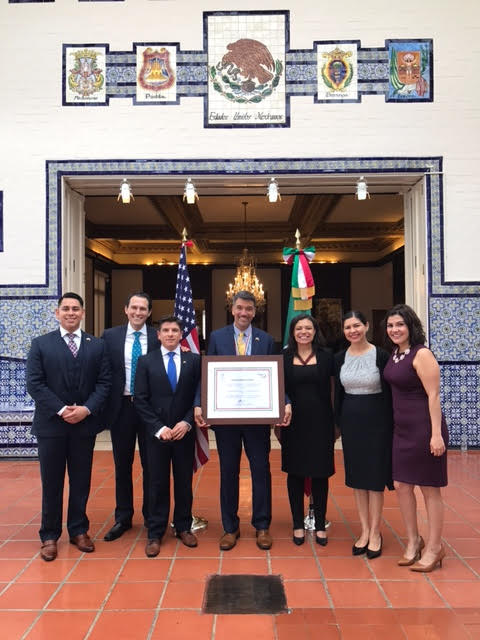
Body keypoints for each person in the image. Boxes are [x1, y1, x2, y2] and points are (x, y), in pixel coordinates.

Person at [195, 291, 291, 551]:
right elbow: (206, 375)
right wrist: (198, 403)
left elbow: (276, 376)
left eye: (249, 309)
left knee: (260, 471)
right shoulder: (217, 337)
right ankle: (230, 527)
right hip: (226, 419)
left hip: (257, 419)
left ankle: (262, 526)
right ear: (232, 308)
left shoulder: (266, 340)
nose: (244, 313)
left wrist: (285, 401)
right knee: (229, 472)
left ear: (254, 311)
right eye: (239, 308)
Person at [26, 293, 111, 561]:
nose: (71, 313)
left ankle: (78, 530)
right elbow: (35, 383)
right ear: (57, 312)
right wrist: (62, 410)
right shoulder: (41, 344)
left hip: (83, 425)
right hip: (51, 425)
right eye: (66, 309)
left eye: (76, 309)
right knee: (51, 482)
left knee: (80, 481)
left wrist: (86, 409)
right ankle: (49, 535)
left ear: (83, 313)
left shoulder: (96, 346)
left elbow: (104, 383)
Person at [383, 304, 448, 572]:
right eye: (390, 325)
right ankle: (413, 541)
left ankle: (435, 547)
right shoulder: (395, 354)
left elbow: (433, 395)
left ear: (411, 326)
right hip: (402, 430)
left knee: (429, 488)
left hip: (424, 429)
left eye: (400, 324)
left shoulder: (422, 354)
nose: (394, 330)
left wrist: (435, 435)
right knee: (401, 485)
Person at [134, 316, 201, 557]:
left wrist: (187, 422)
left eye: (175, 330)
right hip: (157, 435)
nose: (171, 334)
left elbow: (198, 395)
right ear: (158, 335)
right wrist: (159, 427)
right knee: (157, 483)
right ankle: (155, 532)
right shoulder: (145, 362)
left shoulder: (193, 360)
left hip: (184, 432)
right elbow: (140, 398)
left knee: (184, 482)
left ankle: (183, 526)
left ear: (181, 334)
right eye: (166, 330)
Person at [334, 310, 393, 559]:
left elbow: (390, 392)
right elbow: (338, 393)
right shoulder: (339, 358)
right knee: (357, 478)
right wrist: (337, 424)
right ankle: (364, 530)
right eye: (348, 327)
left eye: (357, 325)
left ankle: (376, 532)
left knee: (374, 478)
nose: (353, 331)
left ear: (366, 326)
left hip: (377, 421)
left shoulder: (381, 355)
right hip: (351, 421)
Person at [101, 292, 160, 542]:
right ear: (126, 309)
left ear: (148, 313)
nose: (138, 312)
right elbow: (103, 372)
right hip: (121, 408)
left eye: (143, 309)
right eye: (134, 307)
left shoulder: (158, 336)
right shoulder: (110, 336)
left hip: (149, 410)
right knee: (122, 465)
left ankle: (151, 516)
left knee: (151, 465)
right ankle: (123, 517)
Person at [281, 314, 335, 546]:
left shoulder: (327, 356)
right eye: (299, 328)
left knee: (320, 472)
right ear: (293, 332)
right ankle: (297, 524)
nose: (304, 332)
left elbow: (334, 389)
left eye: (308, 328)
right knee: (295, 472)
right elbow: (277, 387)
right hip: (293, 423)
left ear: (315, 331)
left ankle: (320, 523)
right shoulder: (283, 357)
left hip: (321, 422)